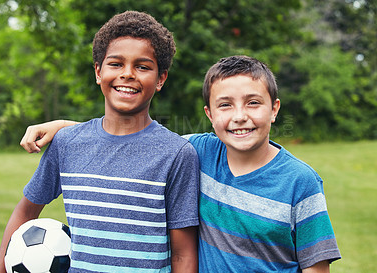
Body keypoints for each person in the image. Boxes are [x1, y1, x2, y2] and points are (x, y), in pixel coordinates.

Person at [20, 55, 341, 272]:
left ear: (274, 109)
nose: (240, 116)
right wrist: (66, 126)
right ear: (210, 115)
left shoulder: (301, 181)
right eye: (225, 105)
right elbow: (136, 137)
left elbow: (316, 266)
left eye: (253, 103)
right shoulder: (196, 152)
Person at [0, 11, 200, 273]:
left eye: (143, 66)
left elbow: (183, 253)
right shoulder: (67, 144)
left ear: (161, 79)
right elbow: (25, 212)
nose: (128, 74)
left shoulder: (177, 154)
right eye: (116, 64)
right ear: (98, 71)